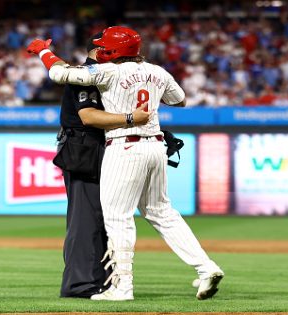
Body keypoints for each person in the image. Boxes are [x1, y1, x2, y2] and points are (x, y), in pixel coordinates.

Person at [27, 26, 224, 301]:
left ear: (111, 51)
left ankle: (122, 287)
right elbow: (179, 100)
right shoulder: (157, 71)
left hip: (125, 145)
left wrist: (44, 51)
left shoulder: (107, 72)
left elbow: (58, 73)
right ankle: (206, 268)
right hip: (155, 146)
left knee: (118, 217)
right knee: (163, 213)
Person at [55, 32, 150, 298]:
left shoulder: (102, 75)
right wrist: (132, 119)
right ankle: (80, 283)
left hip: (105, 147)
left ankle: (104, 281)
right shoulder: (86, 74)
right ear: (100, 52)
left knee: (108, 217)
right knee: (86, 218)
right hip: (84, 150)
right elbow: (89, 116)